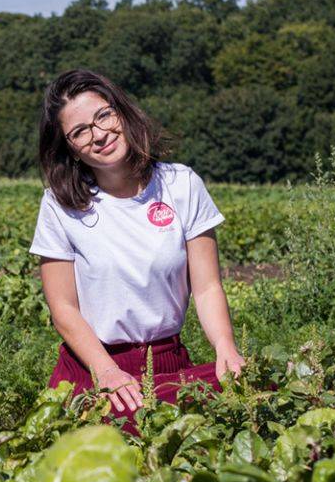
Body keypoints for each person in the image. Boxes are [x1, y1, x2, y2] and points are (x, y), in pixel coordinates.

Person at [29, 69, 246, 432]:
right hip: (93, 364)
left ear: (122, 111)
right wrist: (107, 371)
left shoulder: (181, 184)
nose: (99, 135)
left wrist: (226, 349)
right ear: (70, 149)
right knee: (119, 440)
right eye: (80, 132)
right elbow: (63, 308)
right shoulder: (59, 205)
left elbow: (207, 287)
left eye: (103, 115)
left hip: (166, 362)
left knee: (253, 391)